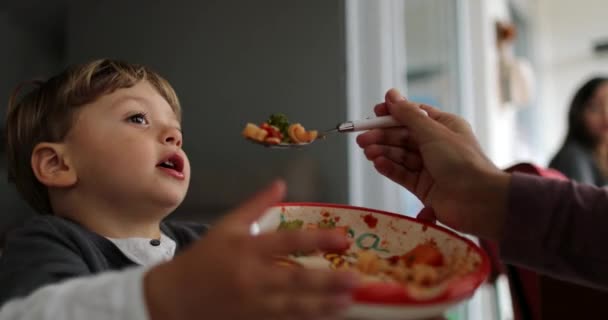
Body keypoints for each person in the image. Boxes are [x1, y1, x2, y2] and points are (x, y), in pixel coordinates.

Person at [0, 59, 357, 319]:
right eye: (138, 118)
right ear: (57, 165)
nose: (174, 136)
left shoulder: (203, 244)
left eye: (177, 132)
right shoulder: (44, 242)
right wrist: (166, 295)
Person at [356, 88, 608, 291]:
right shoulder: (576, 158)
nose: (606, 115)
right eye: (596, 107)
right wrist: (479, 191)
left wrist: (480, 192)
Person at [549, 77, 608, 186]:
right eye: (594, 107)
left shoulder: (602, 157)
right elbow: (586, 202)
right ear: (578, 114)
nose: (606, 115)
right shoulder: (573, 156)